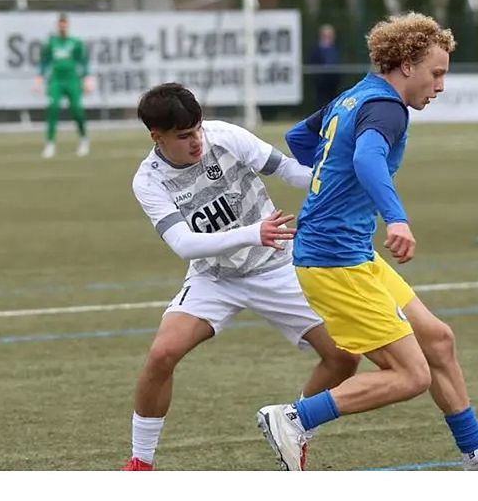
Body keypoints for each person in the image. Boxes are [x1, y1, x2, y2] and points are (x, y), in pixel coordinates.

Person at [256, 13, 478, 472]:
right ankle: (295, 417)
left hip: (351, 251)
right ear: (406, 66)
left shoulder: (355, 96)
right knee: (411, 374)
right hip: (335, 261)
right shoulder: (388, 107)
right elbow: (368, 157)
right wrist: (396, 218)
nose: (439, 86)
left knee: (437, 340)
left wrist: (328, 182)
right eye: (436, 73)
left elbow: (299, 137)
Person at [122, 83, 360, 471]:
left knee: (345, 356)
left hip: (277, 267)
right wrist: (254, 232)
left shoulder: (225, 136)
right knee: (161, 354)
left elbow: (287, 170)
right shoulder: (148, 180)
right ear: (156, 137)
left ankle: (296, 426)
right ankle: (140, 463)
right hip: (214, 278)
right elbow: (184, 244)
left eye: (197, 129)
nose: (196, 141)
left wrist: (337, 176)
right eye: (184, 137)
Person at [35, 13, 94, 159]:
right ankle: (50, 143)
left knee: (77, 110)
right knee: (53, 108)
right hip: (56, 80)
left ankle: (83, 139)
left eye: (65, 24)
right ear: (57, 25)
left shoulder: (74, 42)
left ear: (68, 25)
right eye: (60, 24)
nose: (62, 26)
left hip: (72, 79)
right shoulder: (51, 43)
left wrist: (87, 78)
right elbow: (44, 61)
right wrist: (39, 77)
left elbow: (83, 61)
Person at [308, 24, 342, 108]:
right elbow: (313, 62)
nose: (329, 37)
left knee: (334, 101)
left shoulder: (336, 48)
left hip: (333, 80)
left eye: (330, 35)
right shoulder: (316, 49)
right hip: (321, 81)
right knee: (321, 102)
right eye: (326, 35)